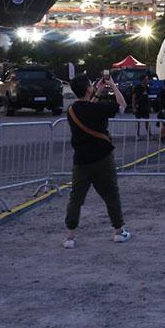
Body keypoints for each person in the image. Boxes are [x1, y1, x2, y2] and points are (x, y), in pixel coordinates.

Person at [63, 74, 131, 248]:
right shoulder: (100, 109)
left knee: (76, 198)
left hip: (81, 160)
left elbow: (85, 109)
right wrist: (113, 86)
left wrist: (99, 90)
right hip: (102, 158)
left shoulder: (71, 110)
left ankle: (70, 236)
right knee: (111, 195)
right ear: (87, 89)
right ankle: (118, 231)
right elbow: (122, 105)